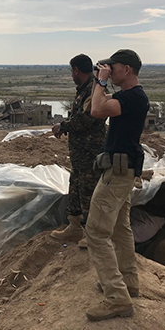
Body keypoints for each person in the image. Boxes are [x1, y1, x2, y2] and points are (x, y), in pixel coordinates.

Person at [84, 49, 149, 322]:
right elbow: (93, 106)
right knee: (121, 228)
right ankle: (128, 283)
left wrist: (100, 81)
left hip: (118, 172)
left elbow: (97, 110)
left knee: (96, 232)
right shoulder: (131, 97)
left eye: (114, 67)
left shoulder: (132, 97)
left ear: (128, 69)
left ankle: (116, 297)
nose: (110, 70)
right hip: (123, 169)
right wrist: (101, 83)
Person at [50, 54, 106, 247]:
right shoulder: (84, 90)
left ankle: (92, 235)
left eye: (71, 71)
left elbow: (87, 118)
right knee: (75, 187)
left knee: (89, 192)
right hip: (80, 153)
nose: (71, 74)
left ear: (76, 70)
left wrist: (63, 126)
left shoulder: (93, 89)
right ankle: (74, 227)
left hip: (90, 152)